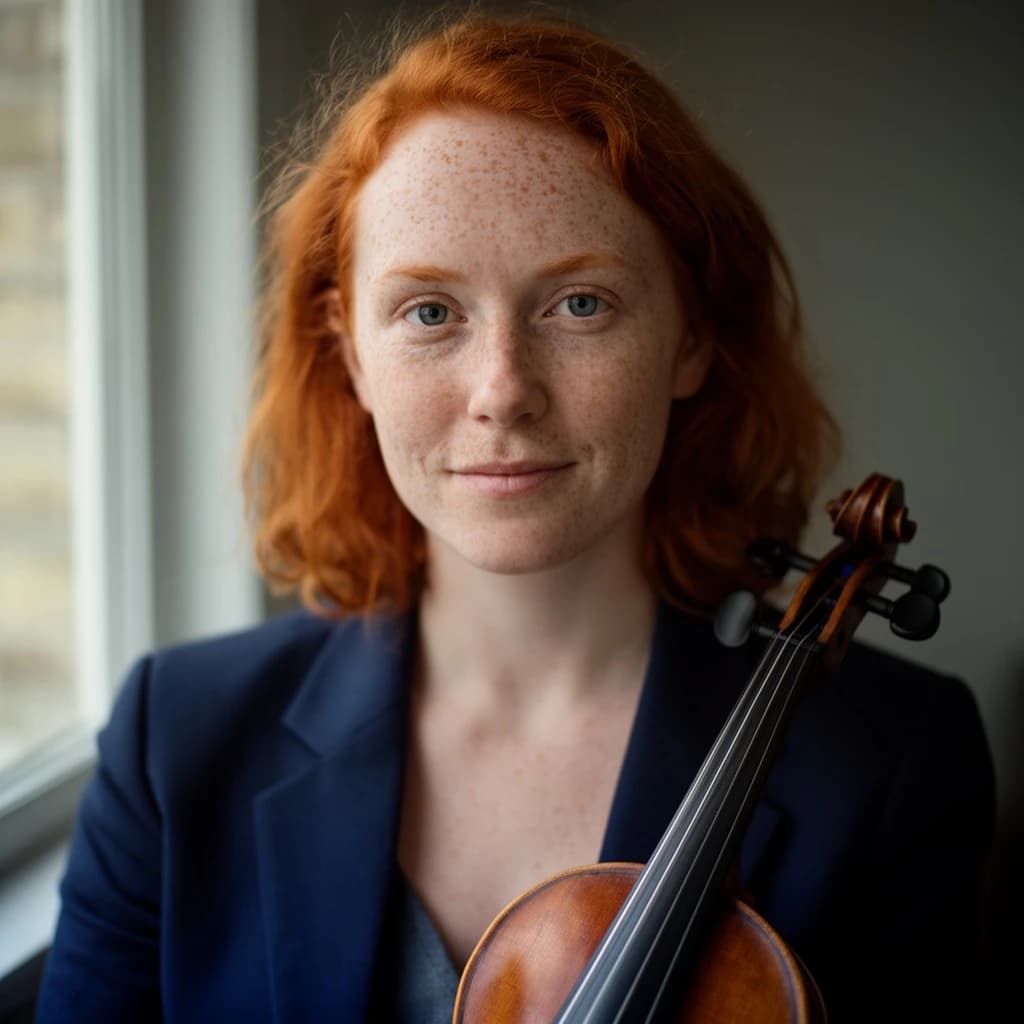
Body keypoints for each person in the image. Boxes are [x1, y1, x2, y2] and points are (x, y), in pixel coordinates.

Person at [35, 12, 994, 1024]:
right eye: (429, 312)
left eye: (579, 304)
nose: (502, 391)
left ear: (690, 339)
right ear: (352, 354)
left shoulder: (894, 760)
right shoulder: (174, 740)